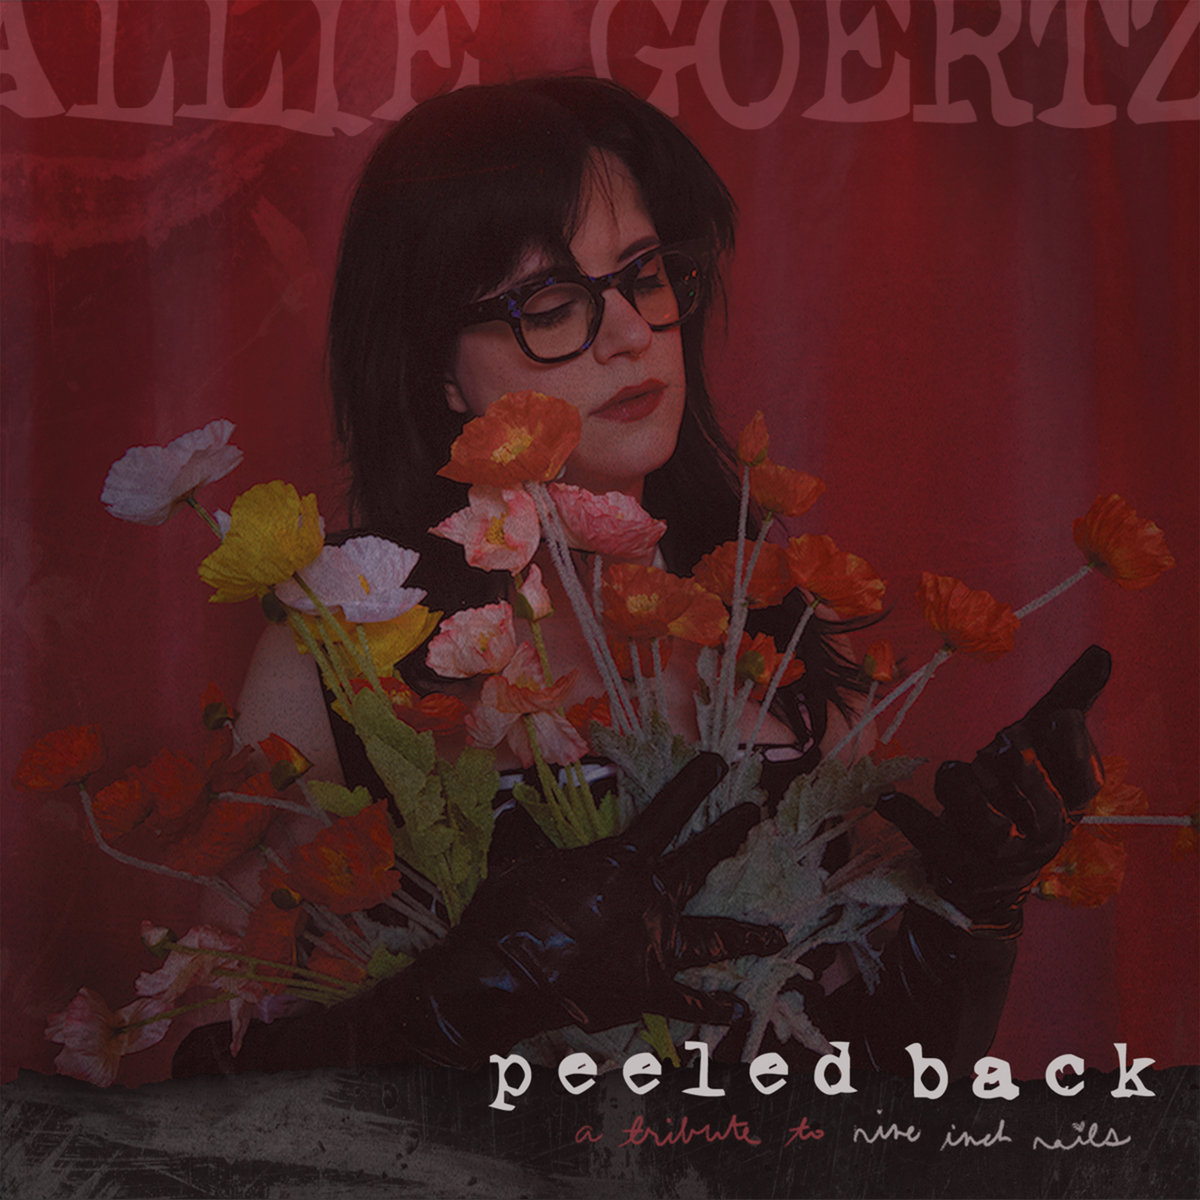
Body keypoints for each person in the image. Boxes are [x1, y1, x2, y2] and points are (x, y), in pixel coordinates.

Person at [174, 76, 1108, 1079]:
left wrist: (969, 916)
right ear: (437, 369)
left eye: (644, 275)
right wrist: (454, 1002)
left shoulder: (776, 616)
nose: (628, 334)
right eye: (549, 304)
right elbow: (207, 1074)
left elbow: (883, 1083)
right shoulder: (342, 641)